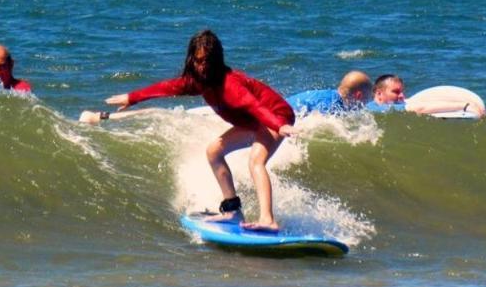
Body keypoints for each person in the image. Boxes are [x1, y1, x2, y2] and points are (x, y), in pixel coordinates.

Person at [105, 30, 295, 232]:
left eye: (207, 61)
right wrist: (132, 97)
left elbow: (255, 106)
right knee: (214, 151)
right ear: (191, 60)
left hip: (275, 115)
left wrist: (278, 125)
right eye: (198, 60)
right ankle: (232, 211)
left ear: (217, 60)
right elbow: (166, 87)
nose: (202, 66)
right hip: (253, 121)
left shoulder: (230, 85)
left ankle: (268, 219)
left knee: (256, 161)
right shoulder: (198, 82)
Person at [286, 70, 373, 115]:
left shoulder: (334, 98)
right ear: (358, 96)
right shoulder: (331, 106)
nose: (365, 105)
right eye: (367, 100)